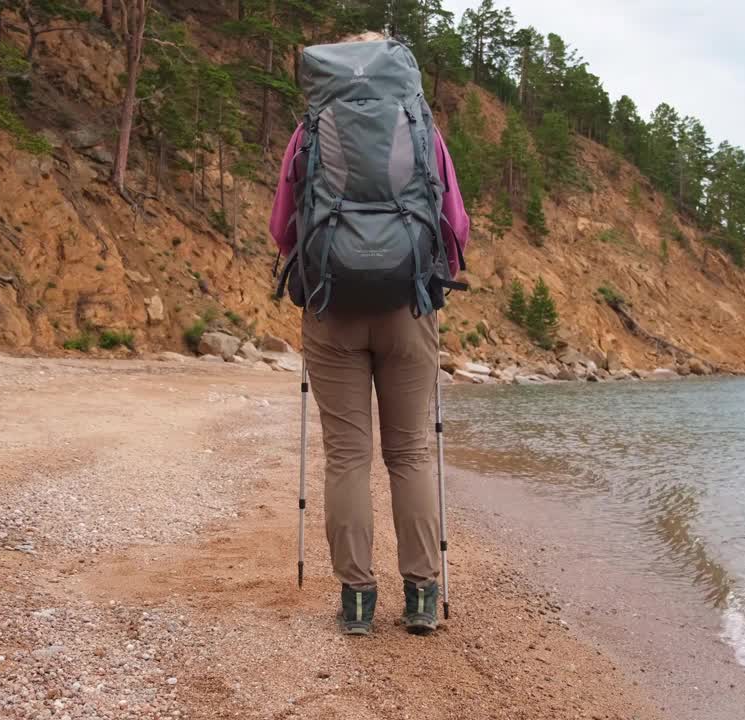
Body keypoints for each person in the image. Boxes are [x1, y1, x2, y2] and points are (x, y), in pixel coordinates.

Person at [268, 31, 470, 635]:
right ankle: (422, 597)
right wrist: (426, 280)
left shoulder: (310, 130)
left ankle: (357, 600)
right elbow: (454, 225)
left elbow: (284, 227)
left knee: (348, 456)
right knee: (409, 452)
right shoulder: (420, 126)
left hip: (331, 307)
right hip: (408, 307)